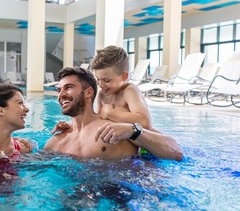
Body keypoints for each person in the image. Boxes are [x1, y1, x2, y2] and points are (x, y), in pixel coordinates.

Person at [44, 67, 183, 161]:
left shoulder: (117, 128)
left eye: (68, 88)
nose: (61, 95)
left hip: (123, 196)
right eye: (59, 90)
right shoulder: (56, 142)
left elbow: (176, 152)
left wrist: (134, 130)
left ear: (89, 92)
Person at [91, 45, 152, 129]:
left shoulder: (129, 91)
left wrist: (111, 113)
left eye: (106, 80)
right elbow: (98, 121)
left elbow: (145, 122)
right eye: (98, 79)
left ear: (124, 76)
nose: (100, 85)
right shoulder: (102, 95)